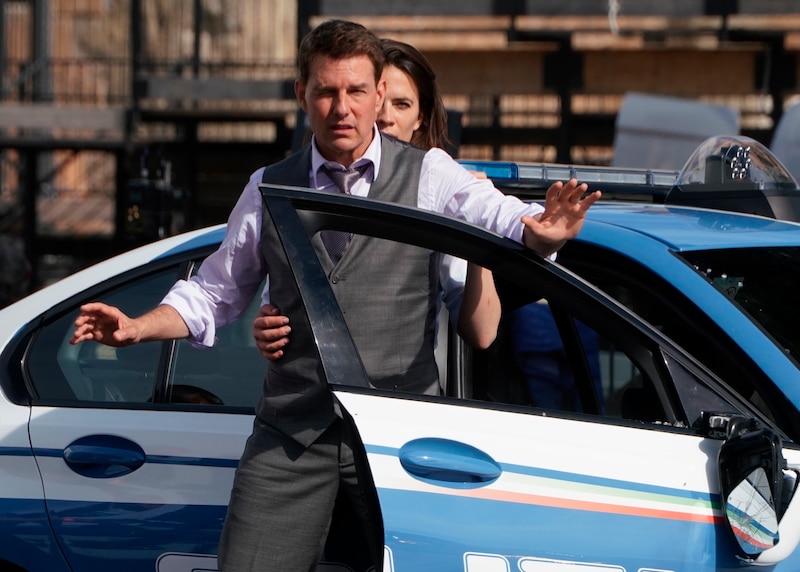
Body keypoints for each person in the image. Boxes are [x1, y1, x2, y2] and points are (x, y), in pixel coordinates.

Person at [70, 19, 600, 572]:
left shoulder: (428, 174)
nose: (341, 108)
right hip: (292, 430)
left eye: (355, 91)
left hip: (401, 437)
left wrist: (542, 232)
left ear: (378, 95)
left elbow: (497, 214)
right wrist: (137, 327)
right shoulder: (269, 185)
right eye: (326, 92)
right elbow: (213, 292)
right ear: (302, 94)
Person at [254, 38, 500, 361]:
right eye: (375, 99)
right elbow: (275, 300)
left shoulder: (437, 199)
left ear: (421, 117)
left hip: (403, 388)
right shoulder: (298, 185)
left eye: (402, 104)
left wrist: (477, 231)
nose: (384, 117)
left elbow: (482, 331)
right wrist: (268, 326)